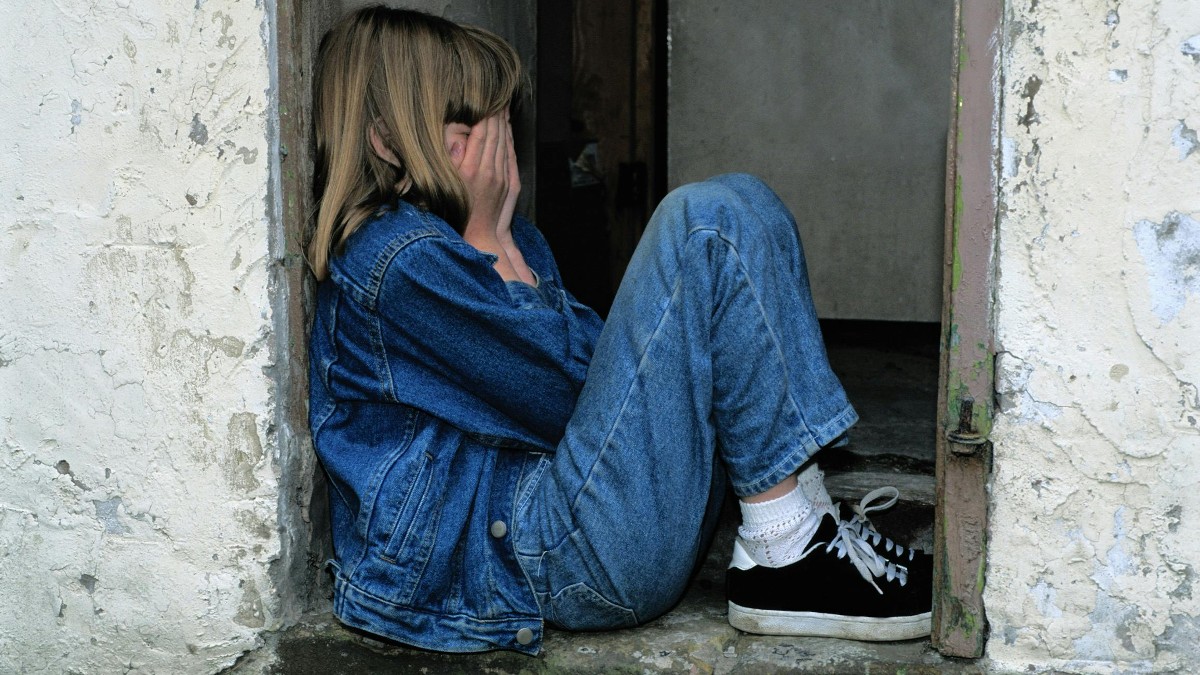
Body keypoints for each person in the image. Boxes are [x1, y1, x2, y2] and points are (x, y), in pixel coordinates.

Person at [306, 5, 932, 656]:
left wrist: (506, 246)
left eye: (498, 125)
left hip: (573, 518)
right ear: (385, 141)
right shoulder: (398, 262)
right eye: (469, 127)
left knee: (745, 203)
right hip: (538, 554)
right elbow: (573, 393)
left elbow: (601, 383)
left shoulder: (486, 240)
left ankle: (800, 525)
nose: (498, 151)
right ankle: (785, 553)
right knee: (703, 223)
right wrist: (495, 245)